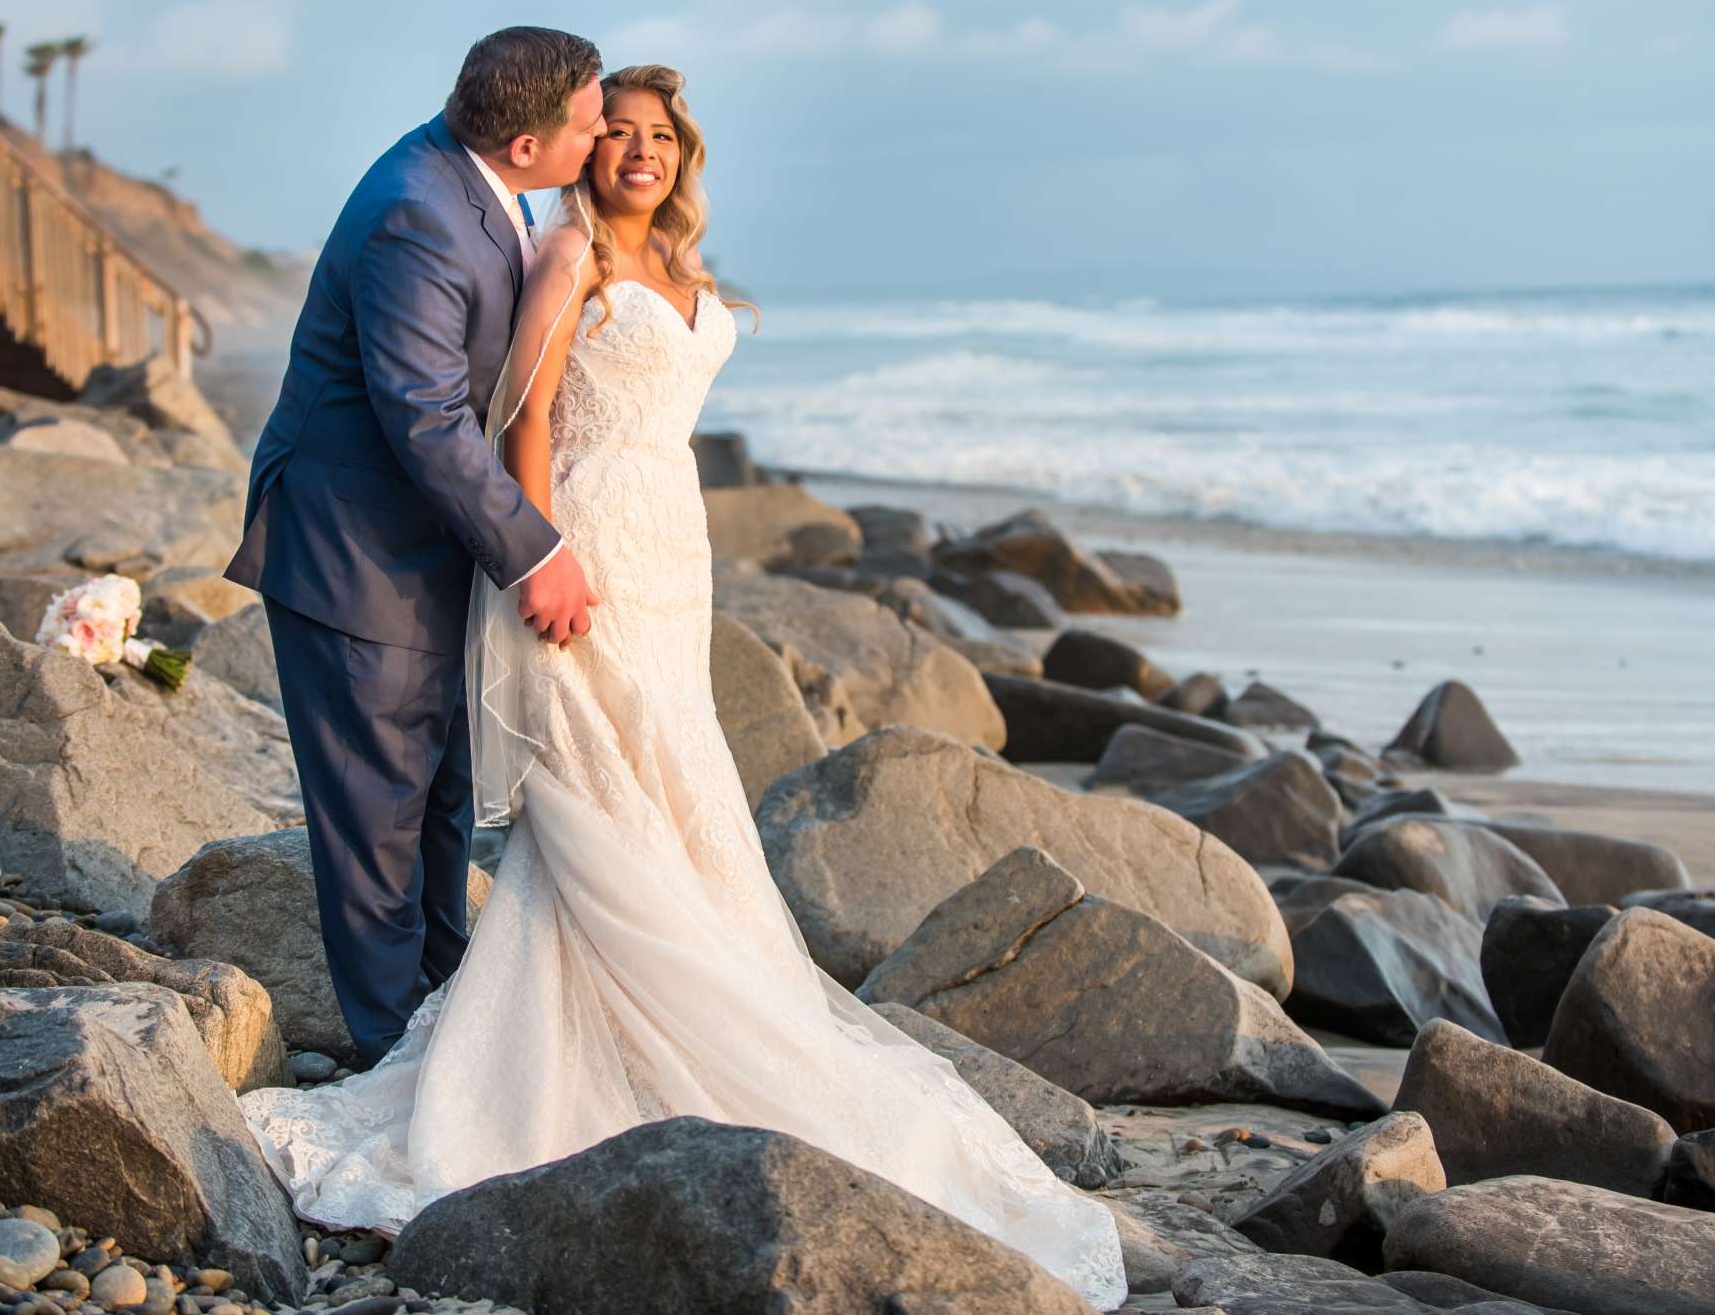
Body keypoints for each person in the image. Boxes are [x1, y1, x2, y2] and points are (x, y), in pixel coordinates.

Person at [238, 64, 1129, 1310]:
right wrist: (541, 557)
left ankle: (520, 1023)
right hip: (588, 554)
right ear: (579, 148)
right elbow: (521, 424)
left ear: (683, 152)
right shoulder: (567, 258)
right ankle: (484, 1064)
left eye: (659, 135)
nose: (638, 151)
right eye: (618, 133)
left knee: (678, 794)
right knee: (597, 805)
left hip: (672, 559)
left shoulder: (683, 270)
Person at [223, 27, 607, 1067]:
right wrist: (534, 552)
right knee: (377, 824)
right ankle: (390, 1061)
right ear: (523, 143)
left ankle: (447, 1021)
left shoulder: (480, 180)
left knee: (437, 798)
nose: (602, 132)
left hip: (416, 549)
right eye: (585, 122)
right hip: (356, 557)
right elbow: (426, 419)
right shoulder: (418, 215)